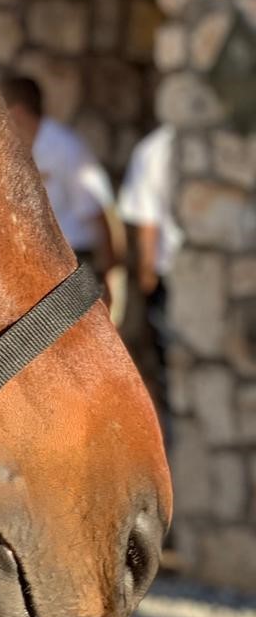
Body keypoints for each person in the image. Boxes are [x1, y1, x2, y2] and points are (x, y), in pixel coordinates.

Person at [1, 75, 120, 284]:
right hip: (40, 261)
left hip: (75, 260)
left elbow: (97, 210)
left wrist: (107, 276)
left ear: (16, 113)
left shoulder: (66, 148)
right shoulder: (16, 151)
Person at [119, 123, 180, 436]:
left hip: (172, 278)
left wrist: (146, 277)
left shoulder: (153, 149)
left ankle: (175, 443)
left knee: (170, 368)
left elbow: (147, 224)